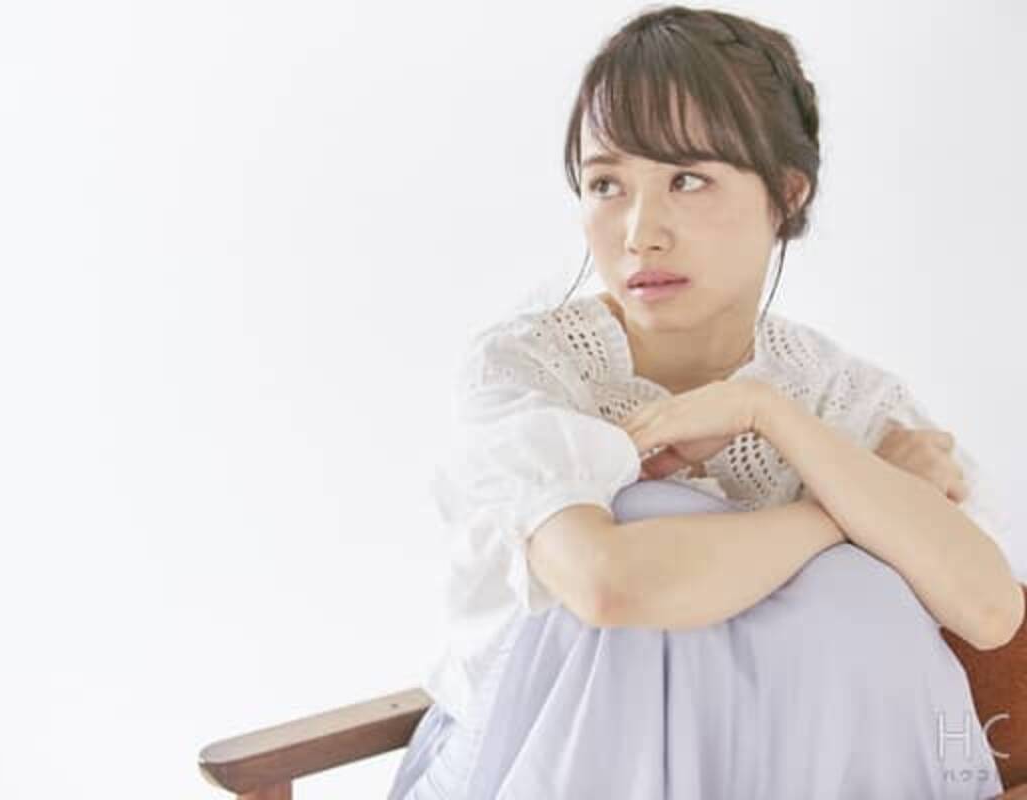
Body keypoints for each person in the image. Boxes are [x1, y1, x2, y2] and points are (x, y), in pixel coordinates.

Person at [386, 5, 1022, 799]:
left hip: (767, 766)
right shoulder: (529, 370)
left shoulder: (839, 395)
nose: (640, 232)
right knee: (648, 520)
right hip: (540, 760)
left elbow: (990, 613)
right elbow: (610, 585)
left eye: (687, 179)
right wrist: (842, 512)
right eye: (607, 184)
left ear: (786, 193)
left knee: (855, 599)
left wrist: (769, 413)